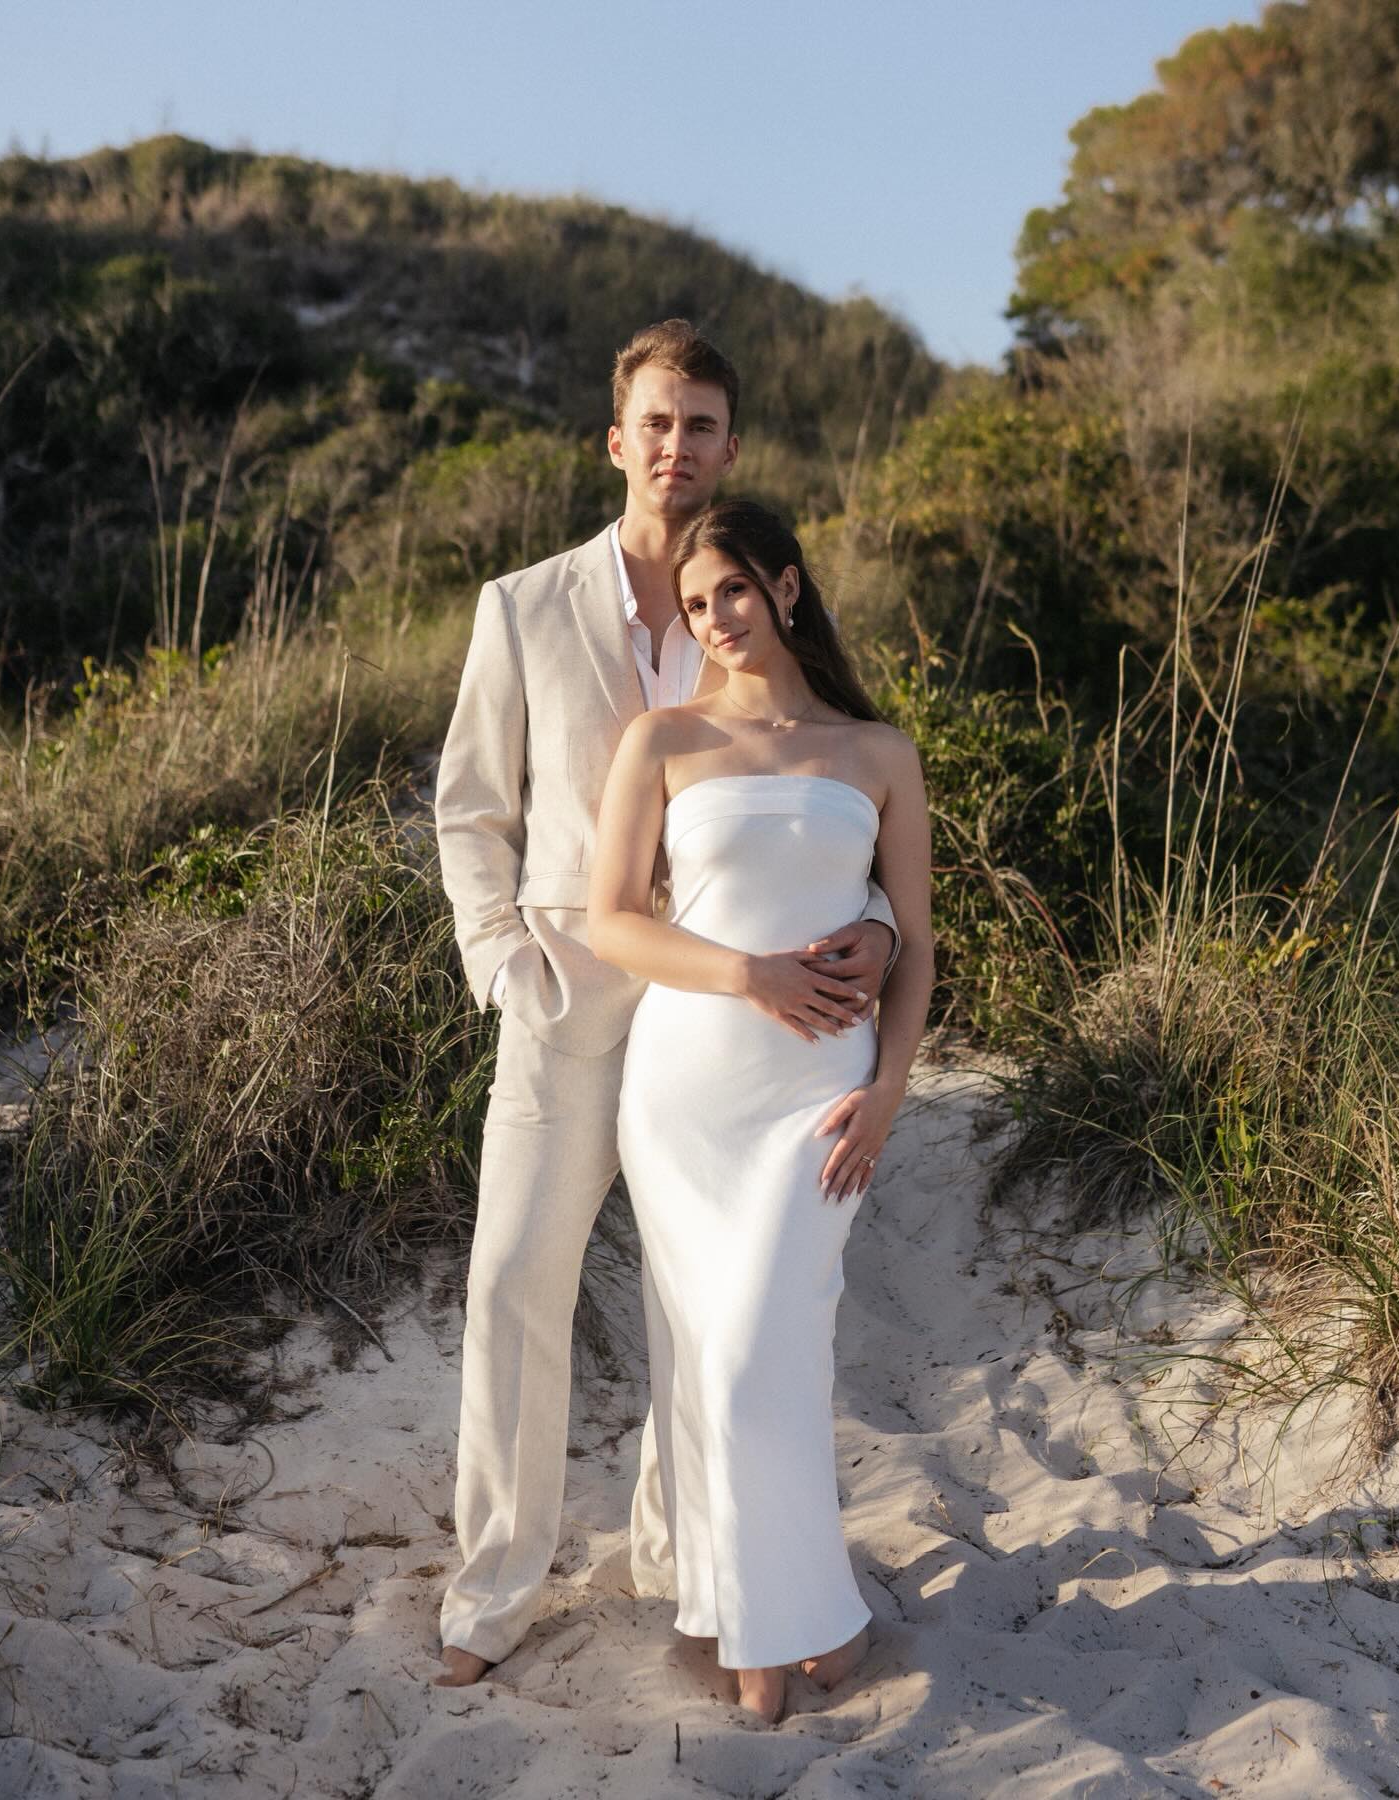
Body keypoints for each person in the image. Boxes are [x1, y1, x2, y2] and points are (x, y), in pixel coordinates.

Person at [431, 322, 901, 1687]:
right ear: (615, 436)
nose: (676, 447)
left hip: (732, 1025)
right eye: (656, 422)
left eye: (701, 425)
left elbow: (798, 805)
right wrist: (501, 958)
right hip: (574, 993)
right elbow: (470, 807)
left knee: (707, 1303)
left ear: (728, 447)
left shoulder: (740, 597)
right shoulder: (522, 606)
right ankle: (492, 1595)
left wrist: (867, 922)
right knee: (518, 1278)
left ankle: (682, 1558)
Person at [587, 498, 934, 1724]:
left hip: (818, 1097)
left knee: (757, 1355)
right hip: (688, 1092)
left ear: (786, 589)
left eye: (735, 590)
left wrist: (887, 1090)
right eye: (694, 605)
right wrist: (748, 972)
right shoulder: (663, 740)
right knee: (730, 1365)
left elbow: (919, 950)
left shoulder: (878, 751)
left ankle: (782, 1624)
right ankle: (776, 1623)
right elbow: (611, 916)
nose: (718, 619)